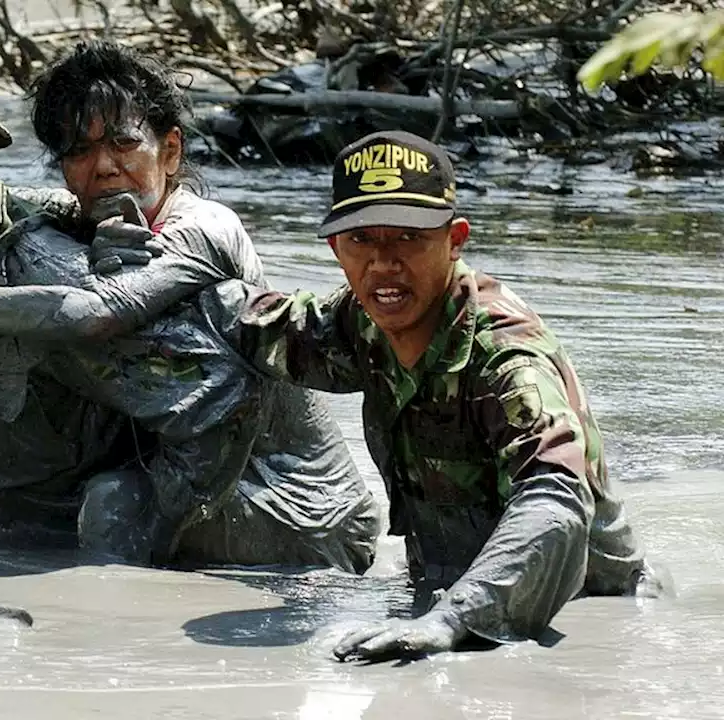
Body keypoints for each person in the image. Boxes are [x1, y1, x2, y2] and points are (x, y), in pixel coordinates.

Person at [0, 46, 380, 570]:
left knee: (115, 505)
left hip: (296, 503)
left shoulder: (172, 239)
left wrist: (141, 522)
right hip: (196, 481)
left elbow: (211, 382)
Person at [200, 129, 669, 662]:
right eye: (361, 240)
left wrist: (450, 620)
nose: (383, 262)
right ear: (336, 248)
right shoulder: (364, 318)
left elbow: (556, 499)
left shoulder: (505, 358)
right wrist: (181, 273)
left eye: (407, 237)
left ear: (455, 239)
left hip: (589, 616)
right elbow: (278, 330)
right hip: (452, 597)